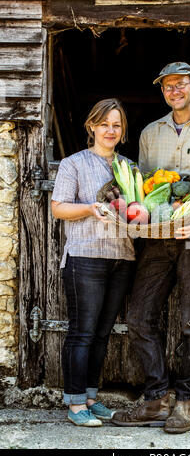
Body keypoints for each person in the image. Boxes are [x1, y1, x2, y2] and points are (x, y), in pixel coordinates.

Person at [111, 62, 190, 433]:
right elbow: (149, 190)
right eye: (168, 86)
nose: (174, 91)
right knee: (140, 316)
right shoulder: (151, 133)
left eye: (181, 84)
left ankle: (185, 401)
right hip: (159, 237)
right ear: (162, 91)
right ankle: (156, 398)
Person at [51, 98, 135, 427]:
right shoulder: (74, 164)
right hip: (84, 257)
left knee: (101, 334)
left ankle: (90, 398)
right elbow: (58, 208)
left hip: (122, 258)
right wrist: (89, 208)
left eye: (116, 125)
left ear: (122, 130)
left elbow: (135, 212)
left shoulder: (129, 168)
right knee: (82, 333)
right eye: (104, 124)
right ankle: (74, 405)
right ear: (92, 127)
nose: (110, 130)